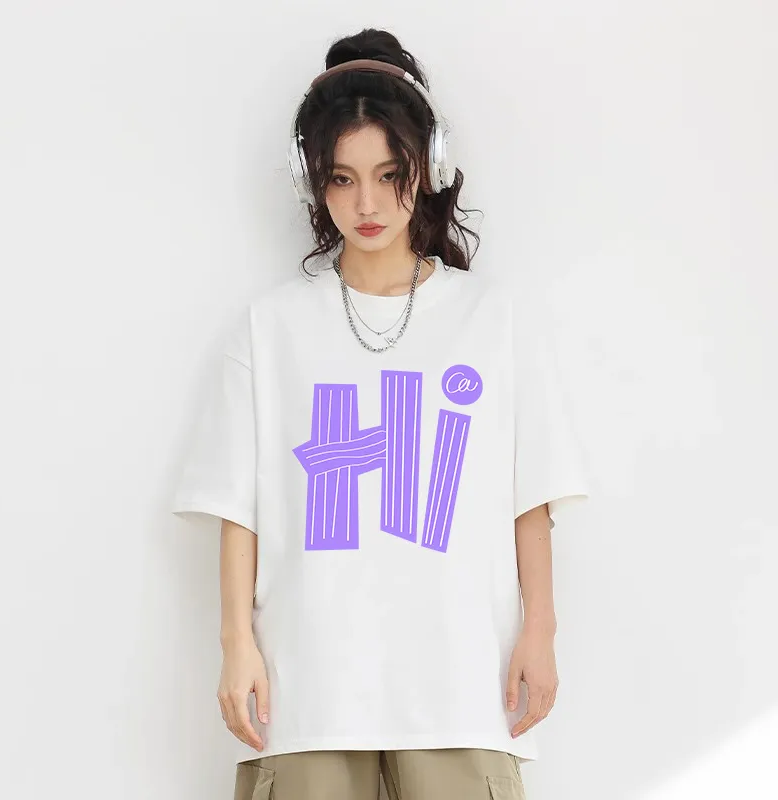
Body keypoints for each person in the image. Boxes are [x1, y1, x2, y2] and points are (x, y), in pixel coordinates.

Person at [171, 27, 590, 800]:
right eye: (342, 178)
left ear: (428, 167)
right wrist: (237, 644)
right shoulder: (270, 327)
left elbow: (529, 498)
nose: (366, 204)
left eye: (389, 175)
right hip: (309, 690)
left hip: (461, 685)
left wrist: (541, 630)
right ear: (311, 181)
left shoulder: (493, 319)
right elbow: (238, 508)